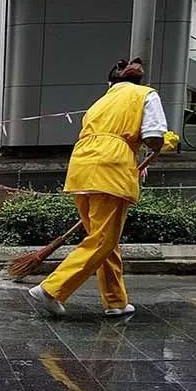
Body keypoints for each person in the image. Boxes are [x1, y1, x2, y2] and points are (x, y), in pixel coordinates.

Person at [28, 57, 171, 319]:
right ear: (138, 81)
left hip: (83, 166)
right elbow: (153, 137)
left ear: (111, 83)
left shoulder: (100, 102)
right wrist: (163, 144)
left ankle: (115, 300)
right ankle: (52, 288)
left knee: (104, 239)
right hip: (112, 167)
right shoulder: (146, 95)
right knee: (103, 239)